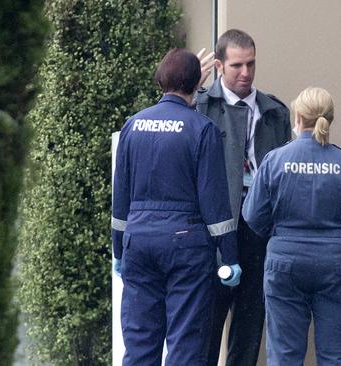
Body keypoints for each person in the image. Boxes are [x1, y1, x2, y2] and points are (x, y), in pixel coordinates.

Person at [111, 48, 241, 366]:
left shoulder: (133, 126)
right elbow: (215, 203)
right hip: (186, 247)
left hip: (139, 244)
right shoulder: (202, 129)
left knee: (140, 342)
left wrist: (119, 252)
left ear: (160, 80)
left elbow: (120, 201)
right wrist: (231, 257)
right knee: (185, 344)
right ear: (197, 84)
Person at [242, 87, 341, 365]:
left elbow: (253, 214)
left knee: (284, 355)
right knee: (338, 355)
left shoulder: (275, 161)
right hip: (335, 264)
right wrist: (336, 237)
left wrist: (280, 236)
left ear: (299, 116)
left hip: (285, 262)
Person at [195, 29, 291, 366]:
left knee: (250, 321)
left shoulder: (275, 112)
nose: (246, 73)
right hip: (215, 227)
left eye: (251, 64)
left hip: (259, 228)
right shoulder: (201, 105)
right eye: (237, 65)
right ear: (219, 66)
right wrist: (192, 86)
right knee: (207, 321)